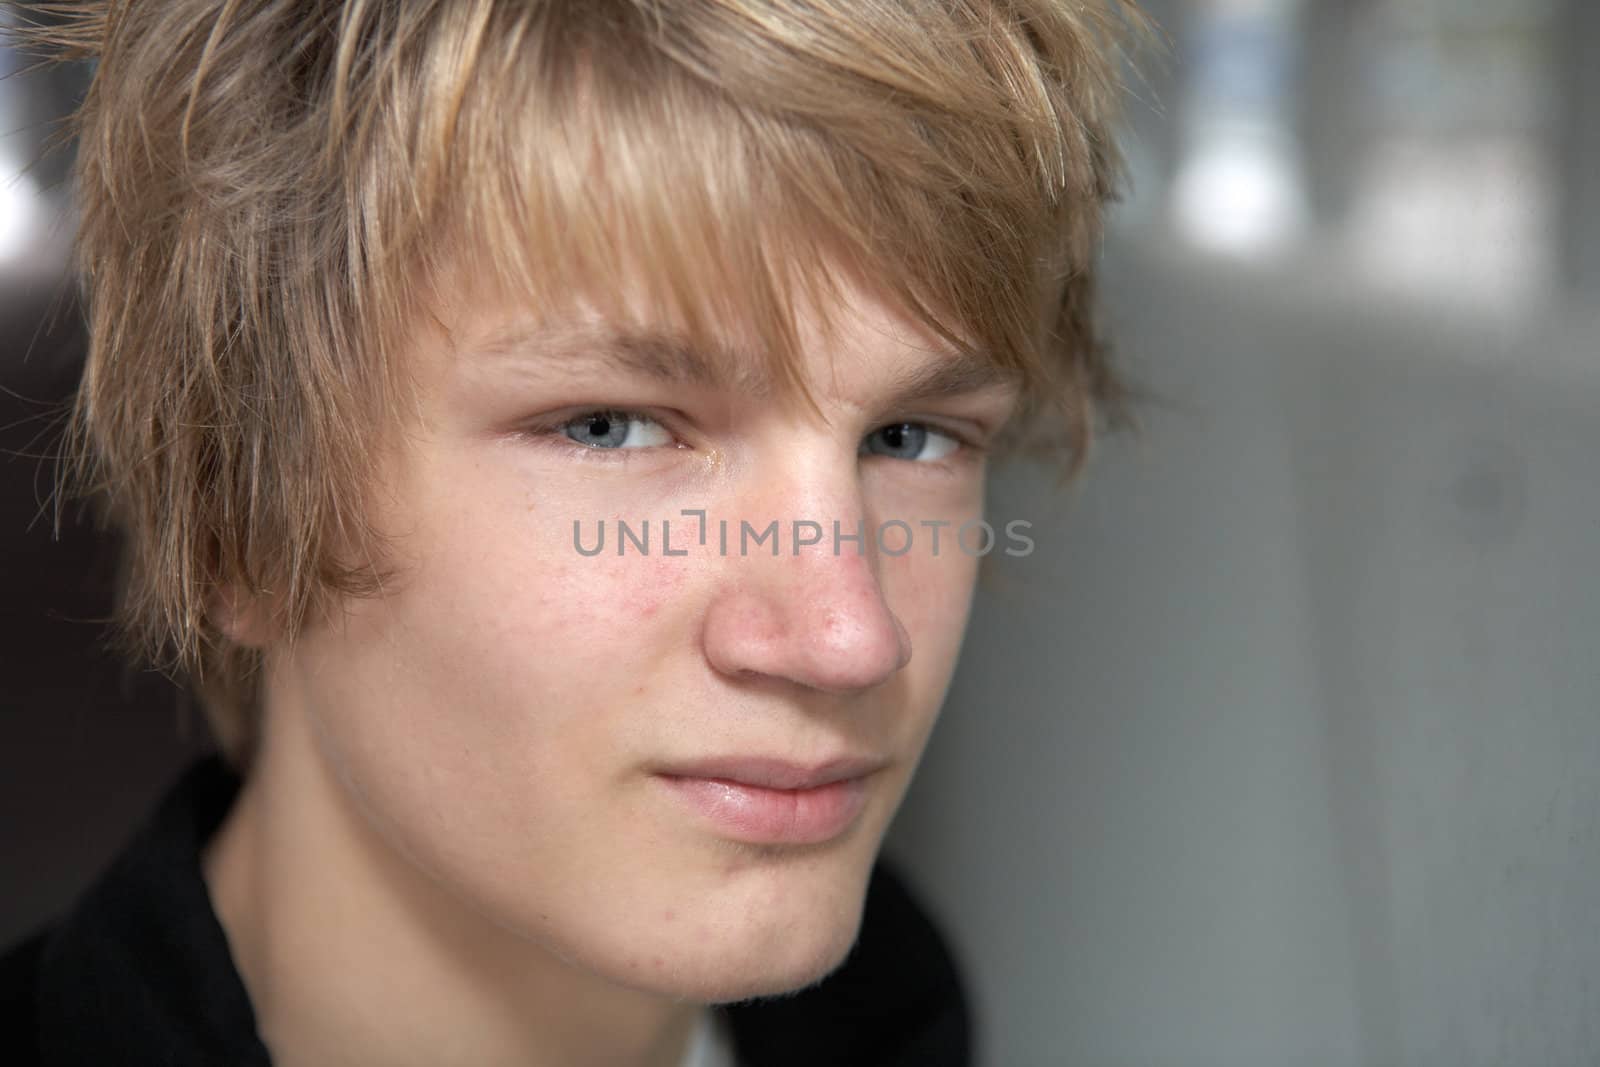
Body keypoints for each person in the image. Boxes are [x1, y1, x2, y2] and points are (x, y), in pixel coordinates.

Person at [0, 1, 1146, 1064]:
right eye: (612, 426)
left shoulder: (896, 1018)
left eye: (909, 436)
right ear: (235, 514)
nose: (850, 635)